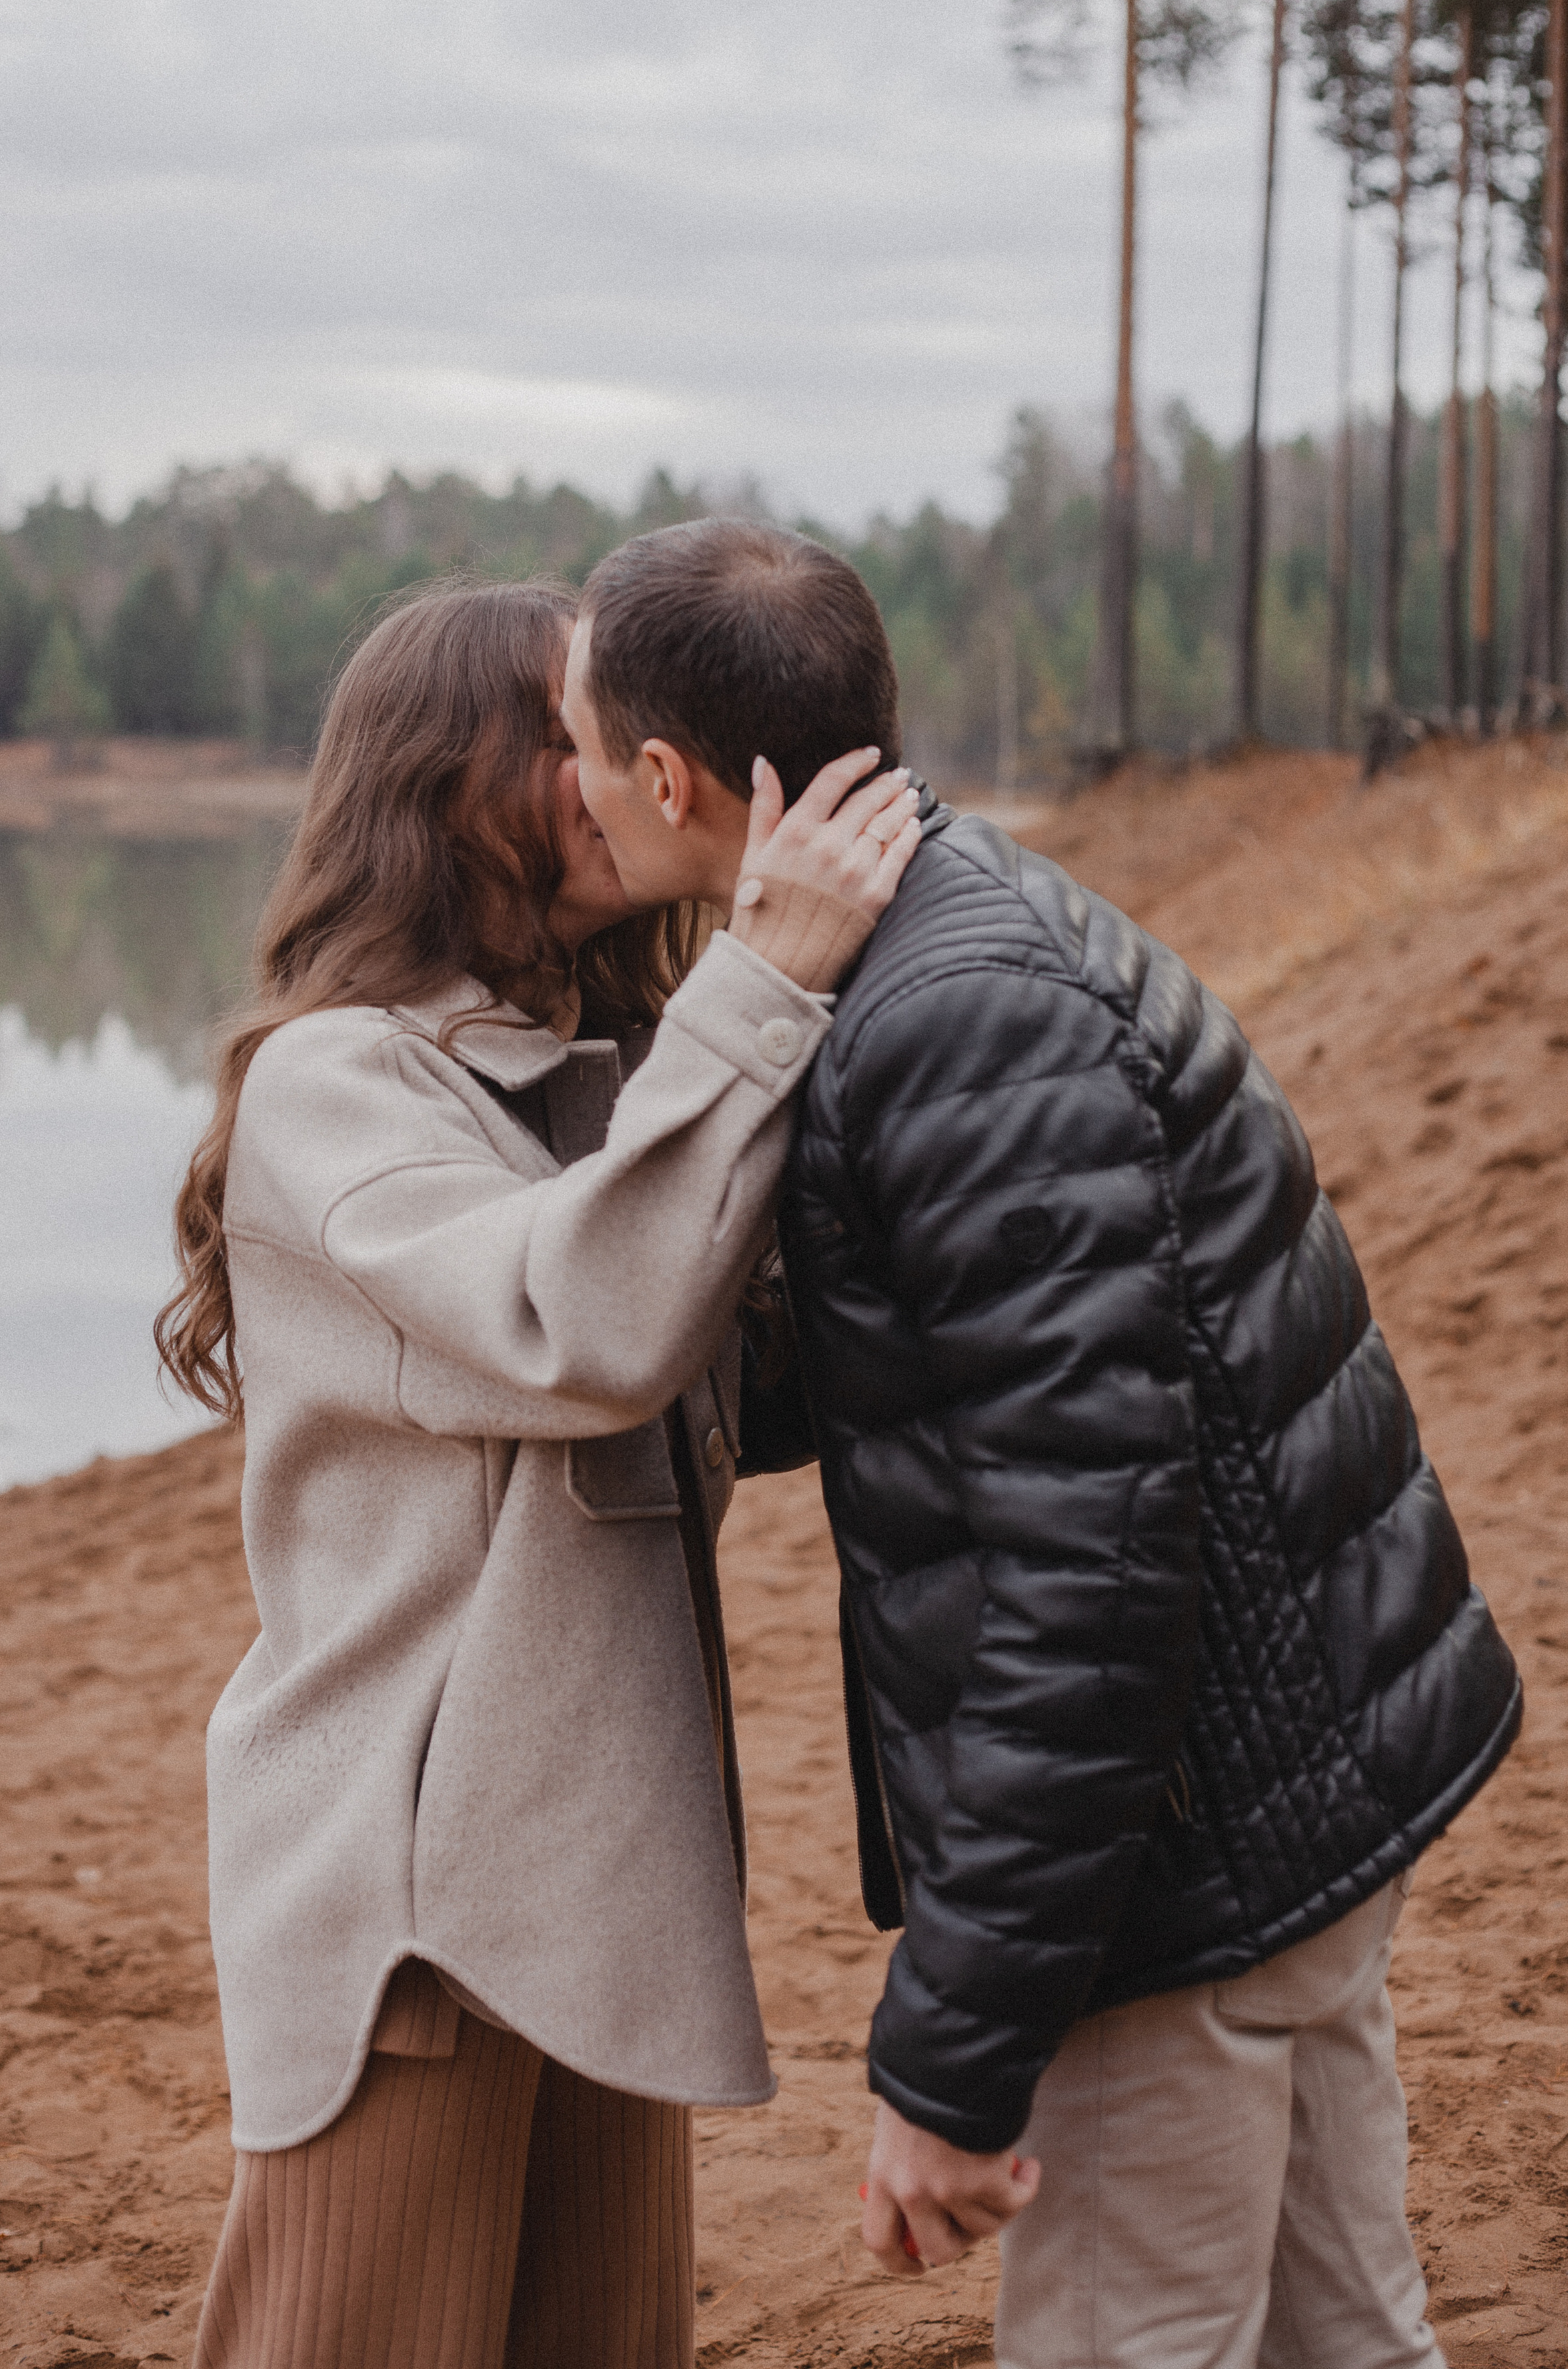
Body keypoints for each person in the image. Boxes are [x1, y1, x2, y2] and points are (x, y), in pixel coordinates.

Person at [560, 517, 1523, 2369]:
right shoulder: (949, 938)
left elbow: (1087, 1580)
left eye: (584, 751)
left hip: (1191, 1868)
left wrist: (957, 2055)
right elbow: (940, 1374)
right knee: (1349, 2337)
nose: (578, 793)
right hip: (1298, 1792)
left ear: (668, 778)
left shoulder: (959, 1023)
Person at [155, 576, 920, 2369]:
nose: (603, 774)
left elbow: (740, 1370)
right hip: (416, 1897)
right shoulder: (340, 1087)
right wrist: (761, 979)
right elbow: (581, 1327)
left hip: (594, 1871)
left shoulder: (611, 1070)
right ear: (445, 779)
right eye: (562, 732)